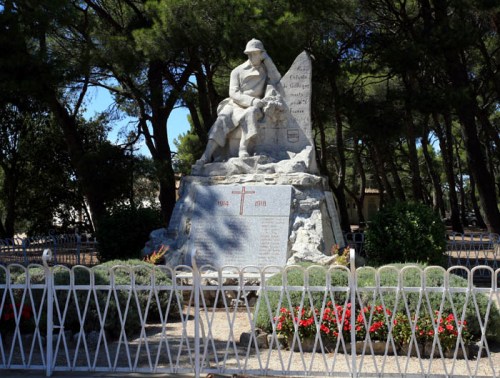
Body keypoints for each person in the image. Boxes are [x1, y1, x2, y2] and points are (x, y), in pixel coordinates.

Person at [197, 39, 281, 164]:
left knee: (251, 113)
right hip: (236, 103)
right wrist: (252, 100)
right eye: (249, 54)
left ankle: (243, 149)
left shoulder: (265, 69)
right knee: (221, 120)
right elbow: (234, 93)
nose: (252, 56)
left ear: (261, 53)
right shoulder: (237, 71)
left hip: (254, 106)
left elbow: (276, 78)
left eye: (255, 53)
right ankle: (206, 155)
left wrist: (268, 60)